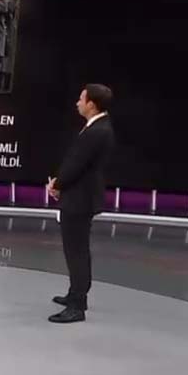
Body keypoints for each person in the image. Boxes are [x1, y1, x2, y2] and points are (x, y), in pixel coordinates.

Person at [47, 84, 116, 323]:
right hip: (79, 196)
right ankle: (75, 294)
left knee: (76, 252)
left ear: (92, 104)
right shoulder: (97, 127)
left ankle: (77, 306)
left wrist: (57, 184)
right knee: (76, 250)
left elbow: (76, 165)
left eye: (81, 99)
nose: (77, 103)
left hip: (79, 199)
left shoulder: (97, 131)